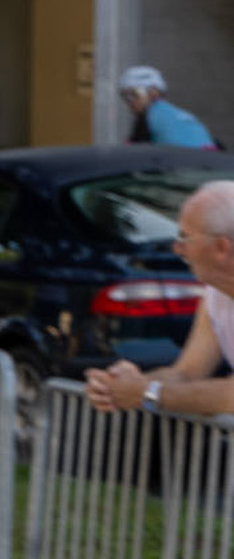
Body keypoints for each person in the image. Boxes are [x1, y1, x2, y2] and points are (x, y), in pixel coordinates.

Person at [87, 179, 234, 419]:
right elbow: (187, 372)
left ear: (221, 247)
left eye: (186, 238)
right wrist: (121, 385)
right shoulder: (214, 294)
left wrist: (148, 392)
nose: (177, 249)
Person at [120, 65, 217, 150]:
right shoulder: (177, 114)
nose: (129, 101)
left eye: (133, 94)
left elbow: (128, 154)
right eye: (125, 96)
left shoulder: (149, 117)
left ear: (153, 92)